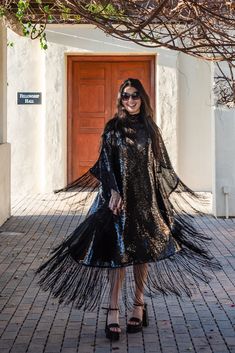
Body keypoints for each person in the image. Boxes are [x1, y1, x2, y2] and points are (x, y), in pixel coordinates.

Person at [36, 78, 222, 341]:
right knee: (117, 255)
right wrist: (113, 191)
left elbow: (162, 166)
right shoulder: (113, 129)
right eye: (126, 96)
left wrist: (158, 199)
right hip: (117, 202)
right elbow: (105, 163)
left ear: (142, 98)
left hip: (144, 201)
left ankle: (138, 304)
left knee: (141, 253)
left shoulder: (150, 129)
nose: (131, 100)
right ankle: (113, 310)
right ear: (120, 99)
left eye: (135, 96)